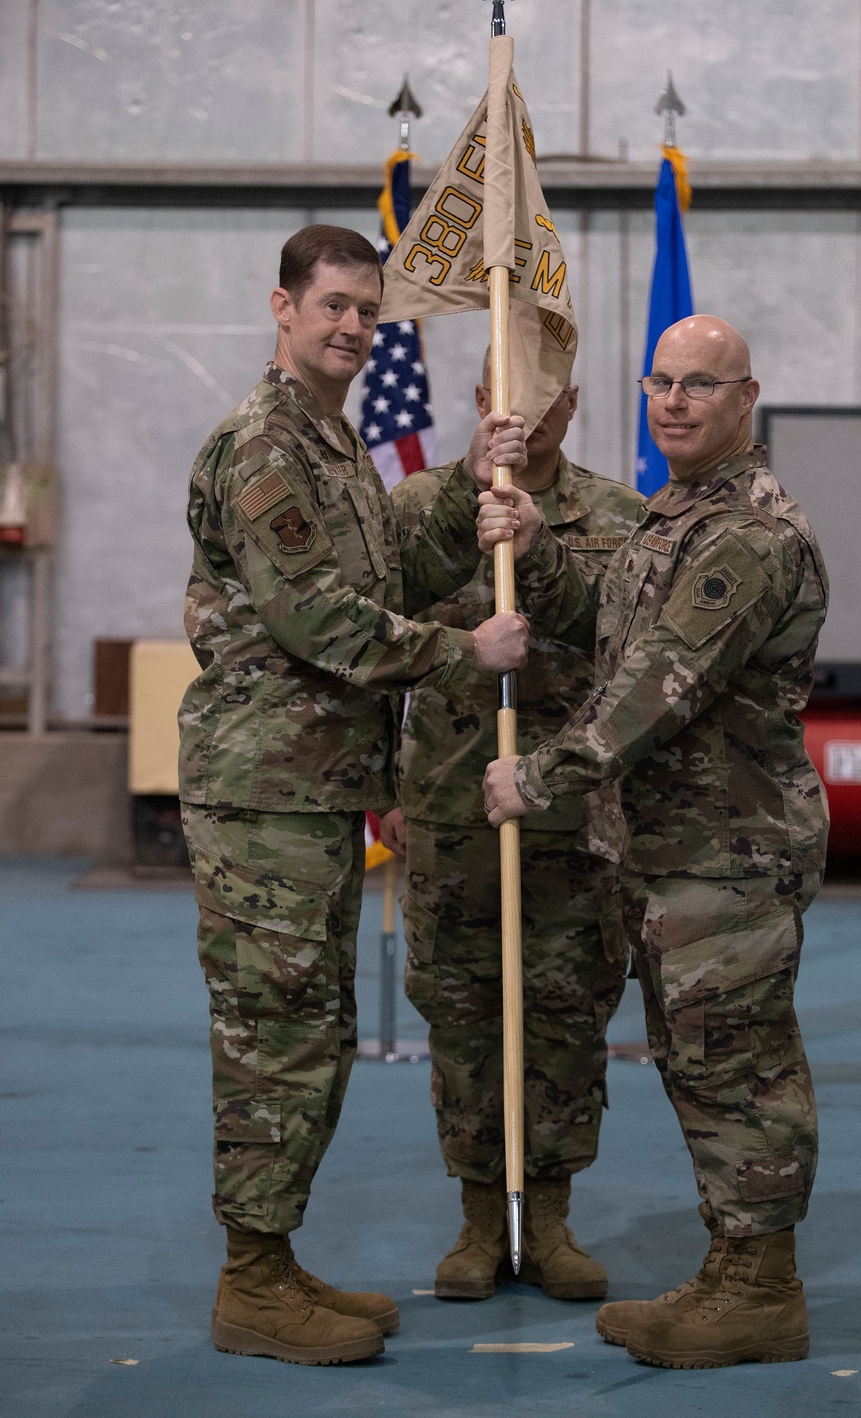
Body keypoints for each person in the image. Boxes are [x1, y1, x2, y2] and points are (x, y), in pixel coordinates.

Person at [179, 225, 529, 1366]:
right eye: (331, 305)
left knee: (313, 1031)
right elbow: (316, 621)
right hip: (264, 795)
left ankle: (272, 1263)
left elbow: (374, 573)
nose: (352, 328)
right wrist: (460, 655)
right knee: (276, 1036)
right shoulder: (264, 448)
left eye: (368, 313)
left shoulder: (333, 444)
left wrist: (470, 492)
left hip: (314, 791)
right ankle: (251, 1282)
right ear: (280, 307)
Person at [480, 315, 829, 1369]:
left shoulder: (750, 535)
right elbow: (615, 625)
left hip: (728, 851)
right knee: (696, 1064)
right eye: (660, 383)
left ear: (745, 397)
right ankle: (733, 1268)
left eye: (700, 385)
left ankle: (763, 1289)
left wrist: (535, 777)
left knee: (740, 1068)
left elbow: (656, 686)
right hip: (671, 849)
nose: (674, 401)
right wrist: (538, 558)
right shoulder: (678, 514)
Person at [380, 352, 645, 1302]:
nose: (523, 417)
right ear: (481, 398)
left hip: (571, 818)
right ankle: (481, 1219)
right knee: (462, 1017)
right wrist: (387, 786)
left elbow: (630, 649)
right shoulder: (419, 510)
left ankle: (556, 1216)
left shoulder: (619, 518)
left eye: (544, 399)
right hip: (450, 812)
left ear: (573, 404)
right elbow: (373, 640)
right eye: (506, 397)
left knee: (569, 1013)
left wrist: (542, 552)